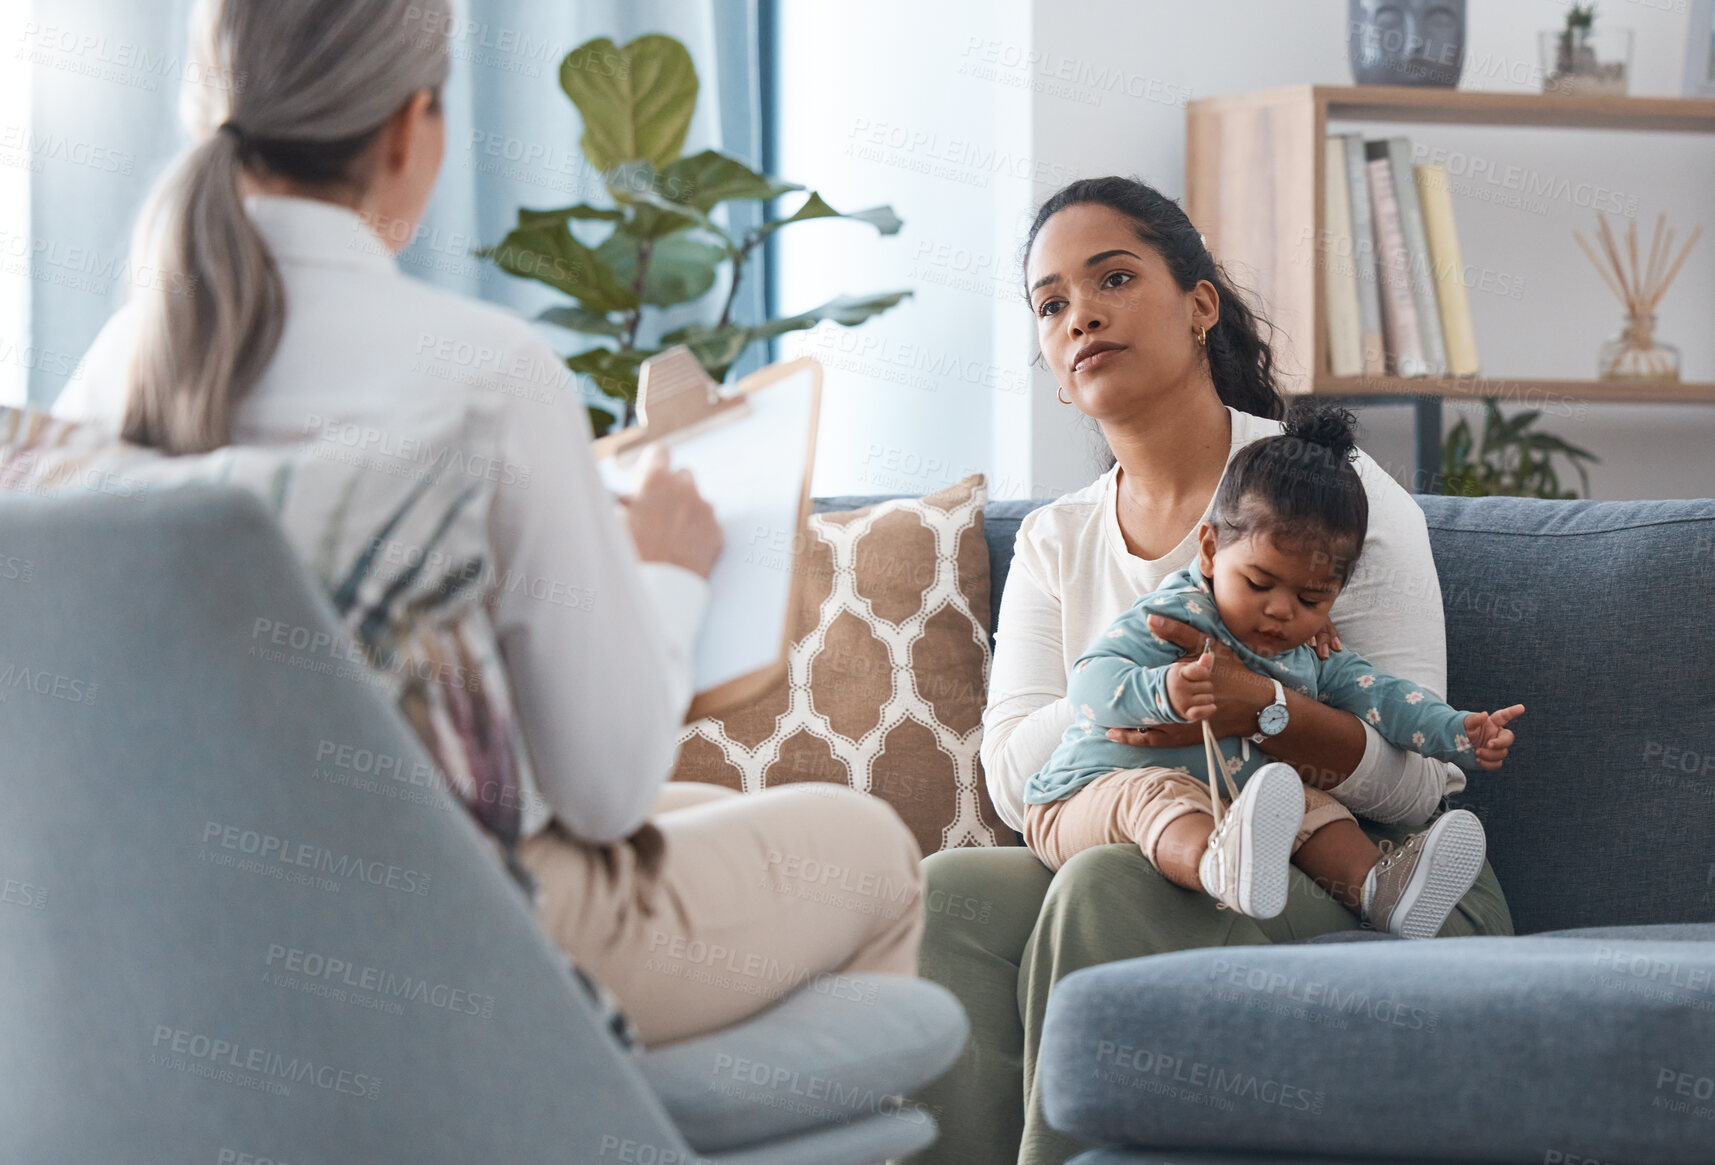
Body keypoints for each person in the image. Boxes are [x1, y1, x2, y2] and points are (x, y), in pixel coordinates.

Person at [52, 0, 923, 1048]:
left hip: (180, 928)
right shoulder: (482, 375)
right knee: (870, 847)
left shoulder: (104, 380)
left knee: (698, 808)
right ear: (407, 130)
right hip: (454, 942)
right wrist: (666, 571)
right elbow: (602, 793)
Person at [901, 176, 1514, 1165]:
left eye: (1111, 277)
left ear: (1198, 304)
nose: (1080, 314)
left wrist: (1263, 711)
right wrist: (1138, 683)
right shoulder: (1059, 538)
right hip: (1165, 836)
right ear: (1053, 367)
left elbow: (1418, 779)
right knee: (947, 892)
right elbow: (1015, 782)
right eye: (1050, 303)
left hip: (1369, 873)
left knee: (1103, 883)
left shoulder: (1325, 495)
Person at [1023, 402, 1523, 938]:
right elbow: (1090, 683)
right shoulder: (1177, 614)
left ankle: (1380, 890)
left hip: (1226, 804)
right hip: (1087, 796)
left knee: (1310, 803)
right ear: (1211, 550)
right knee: (1158, 794)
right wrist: (1163, 690)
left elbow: (1384, 695)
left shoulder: (1307, 652)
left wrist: (1456, 730)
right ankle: (1216, 865)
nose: (1282, 611)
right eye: (1259, 584)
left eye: (1311, 597)